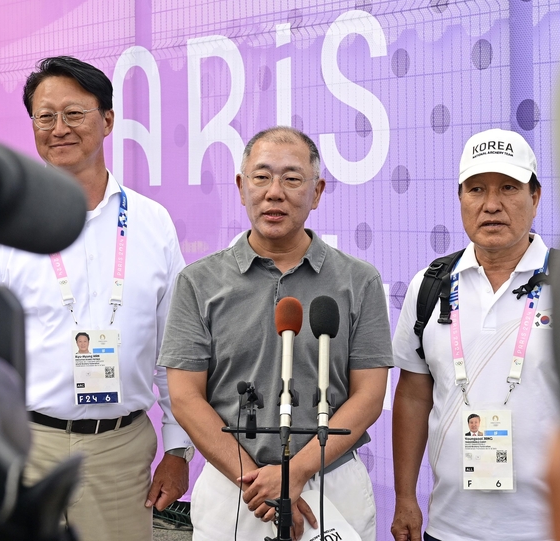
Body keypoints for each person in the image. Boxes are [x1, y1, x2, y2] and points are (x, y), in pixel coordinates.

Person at [0, 56, 193, 541]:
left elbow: (177, 348)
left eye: (74, 113)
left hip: (119, 452)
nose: (58, 129)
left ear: (107, 120)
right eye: (45, 117)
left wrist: (177, 449)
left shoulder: (152, 223)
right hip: (24, 447)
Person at [158, 126, 393, 541]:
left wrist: (295, 473)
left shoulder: (359, 281)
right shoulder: (199, 281)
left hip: (331, 485)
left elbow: (370, 396)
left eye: (292, 178)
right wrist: (258, 482)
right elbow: (184, 396)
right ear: (241, 186)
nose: (274, 192)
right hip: (236, 488)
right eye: (261, 176)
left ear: (317, 191)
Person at [391, 128, 560, 541]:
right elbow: (414, 394)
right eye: (476, 189)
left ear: (535, 198)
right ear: (460, 198)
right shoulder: (430, 285)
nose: (491, 205)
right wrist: (404, 497)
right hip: (449, 528)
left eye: (508, 188)